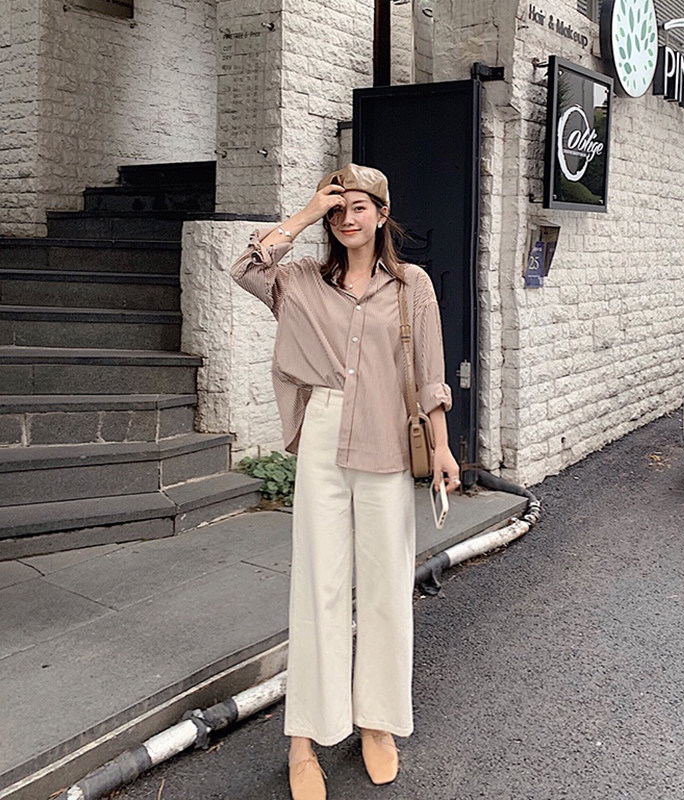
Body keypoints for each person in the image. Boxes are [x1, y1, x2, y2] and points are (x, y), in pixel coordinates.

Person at [230, 163, 459, 800]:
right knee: (319, 587)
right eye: (338, 210)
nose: (347, 218)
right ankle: (305, 738)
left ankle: (377, 722)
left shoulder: (411, 286)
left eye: (359, 207)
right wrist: (305, 213)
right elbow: (244, 267)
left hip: (388, 438)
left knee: (386, 587)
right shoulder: (303, 279)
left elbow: (430, 373)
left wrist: (442, 446)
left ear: (382, 215)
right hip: (325, 439)